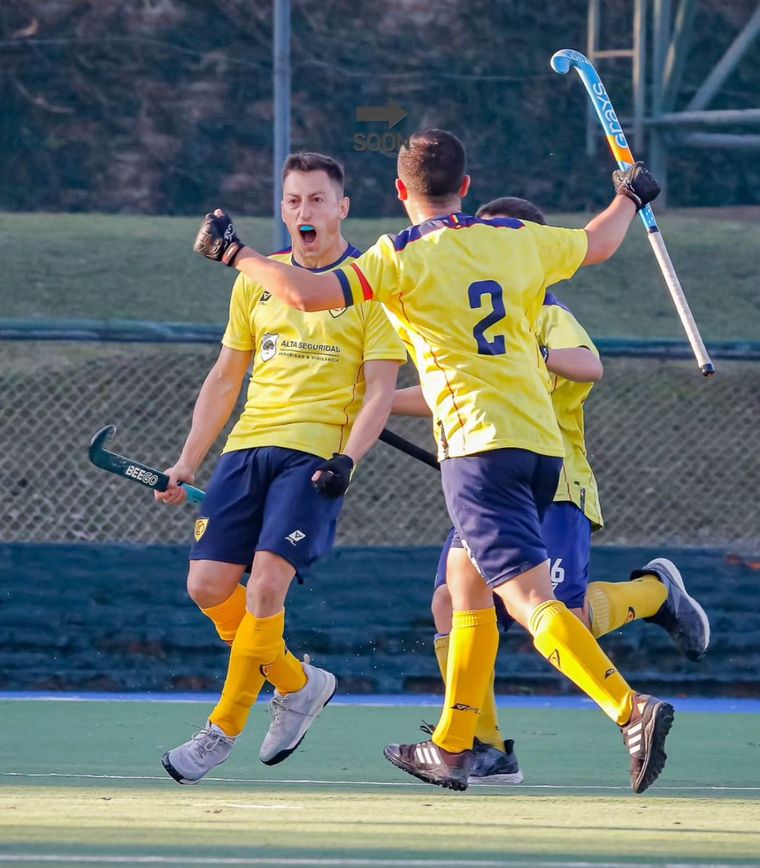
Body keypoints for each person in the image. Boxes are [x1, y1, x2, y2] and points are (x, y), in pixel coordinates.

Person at [192, 128, 673, 795]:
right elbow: (597, 243)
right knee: (463, 580)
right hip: (539, 446)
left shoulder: (400, 258)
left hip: (478, 451)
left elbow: (306, 295)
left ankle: (630, 709)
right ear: (466, 188)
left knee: (530, 602)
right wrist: (628, 196)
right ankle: (452, 747)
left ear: (399, 192)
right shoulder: (515, 236)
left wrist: (236, 253)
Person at [393, 195, 710, 786]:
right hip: (493, 470)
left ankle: (651, 596)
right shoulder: (486, 306)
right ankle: (478, 746)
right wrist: (375, 403)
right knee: (455, 595)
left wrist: (530, 355)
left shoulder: (544, 309)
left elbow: (589, 364)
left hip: (555, 482)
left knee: (560, 616)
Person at [157, 152, 407, 785]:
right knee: (208, 588)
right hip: (248, 450)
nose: (304, 212)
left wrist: (349, 457)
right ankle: (299, 683)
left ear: (342, 208)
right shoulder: (256, 280)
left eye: (317, 200)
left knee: (267, 586)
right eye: (294, 201)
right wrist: (189, 459)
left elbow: (380, 390)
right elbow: (225, 377)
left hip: (315, 455)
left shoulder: (370, 284)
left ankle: (221, 730)